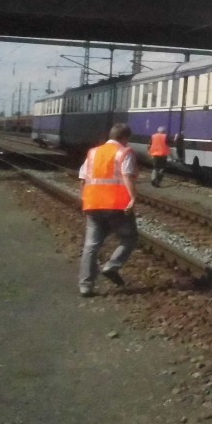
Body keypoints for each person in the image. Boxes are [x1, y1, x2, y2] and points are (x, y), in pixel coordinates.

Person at [78, 123, 139, 297]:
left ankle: (85, 285)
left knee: (91, 245)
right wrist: (133, 198)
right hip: (116, 205)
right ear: (125, 138)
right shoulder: (124, 152)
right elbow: (126, 176)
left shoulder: (93, 153)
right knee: (129, 238)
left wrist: (85, 198)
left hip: (92, 204)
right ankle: (112, 266)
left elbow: (82, 178)